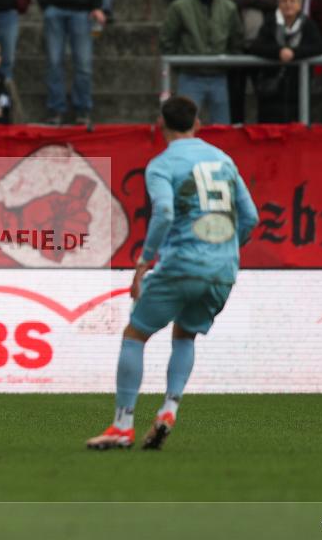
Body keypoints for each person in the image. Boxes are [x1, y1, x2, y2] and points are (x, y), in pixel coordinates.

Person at [86, 95, 258, 451]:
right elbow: (251, 217)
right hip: (223, 269)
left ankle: (122, 426)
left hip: (182, 262)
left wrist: (144, 262)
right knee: (185, 335)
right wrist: (226, 250)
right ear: (198, 124)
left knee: (135, 334)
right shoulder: (224, 160)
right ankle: (169, 408)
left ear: (160, 125)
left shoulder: (162, 164)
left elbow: (164, 212)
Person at [160, 0, 244, 124]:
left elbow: (237, 40)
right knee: (183, 124)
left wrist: (227, 63)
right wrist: (181, 63)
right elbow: (167, 40)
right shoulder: (179, 7)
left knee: (222, 127)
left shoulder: (229, 7)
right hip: (190, 76)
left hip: (219, 76)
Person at [32, 0, 105, 126]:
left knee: (83, 64)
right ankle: (56, 109)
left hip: (82, 11)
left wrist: (96, 5)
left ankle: (83, 109)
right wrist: (45, 4)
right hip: (54, 9)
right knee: (54, 62)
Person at [218, 0, 281, 123]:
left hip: (261, 45)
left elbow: (274, 2)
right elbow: (225, 3)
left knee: (265, 96)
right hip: (235, 46)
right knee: (236, 96)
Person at [248, 0, 322, 122]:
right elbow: (257, 46)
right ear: (279, 4)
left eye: (292, 1)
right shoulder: (270, 22)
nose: (288, 4)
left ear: (299, 5)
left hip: (298, 90)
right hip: (271, 91)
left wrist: (294, 53)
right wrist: (278, 52)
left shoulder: (308, 24)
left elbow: (318, 46)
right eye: (284, 1)